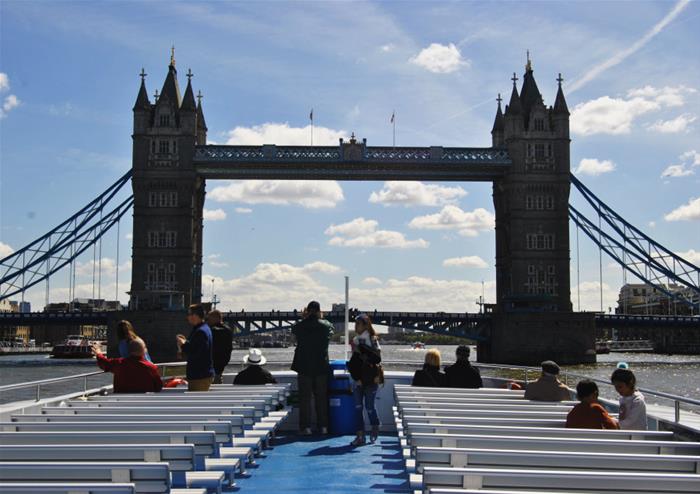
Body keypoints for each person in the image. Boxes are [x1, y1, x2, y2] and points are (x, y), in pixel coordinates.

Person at [291, 301, 334, 435]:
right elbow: (330, 328)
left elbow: (295, 329)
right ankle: (324, 427)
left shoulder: (299, 326)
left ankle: (306, 428)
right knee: (321, 398)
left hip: (304, 367)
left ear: (307, 311)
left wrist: (305, 317)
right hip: (321, 366)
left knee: (305, 399)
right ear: (319, 311)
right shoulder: (326, 326)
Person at [348, 314, 382, 446]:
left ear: (366, 325)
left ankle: (375, 425)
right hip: (358, 378)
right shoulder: (355, 340)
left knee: (369, 407)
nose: (356, 326)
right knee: (358, 407)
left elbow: (377, 358)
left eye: (358, 324)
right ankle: (360, 436)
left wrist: (361, 352)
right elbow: (354, 362)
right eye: (355, 324)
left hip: (370, 378)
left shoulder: (373, 340)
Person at [92, 338, 162, 393]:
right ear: (143, 350)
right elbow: (158, 387)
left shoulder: (119, 363)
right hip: (144, 405)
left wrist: (99, 353)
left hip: (121, 403)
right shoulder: (152, 367)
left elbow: (104, 363)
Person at [176, 304, 214, 392]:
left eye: (189, 314)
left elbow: (195, 352)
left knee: (198, 402)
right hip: (202, 374)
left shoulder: (200, 331)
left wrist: (183, 344)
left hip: (199, 376)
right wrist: (186, 342)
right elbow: (198, 347)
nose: (187, 317)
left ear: (195, 316)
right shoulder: (204, 328)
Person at [207, 310, 233, 384]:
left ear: (215, 318)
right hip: (222, 365)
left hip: (211, 366)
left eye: (209, 319)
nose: (208, 321)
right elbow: (229, 349)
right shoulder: (228, 330)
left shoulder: (211, 330)